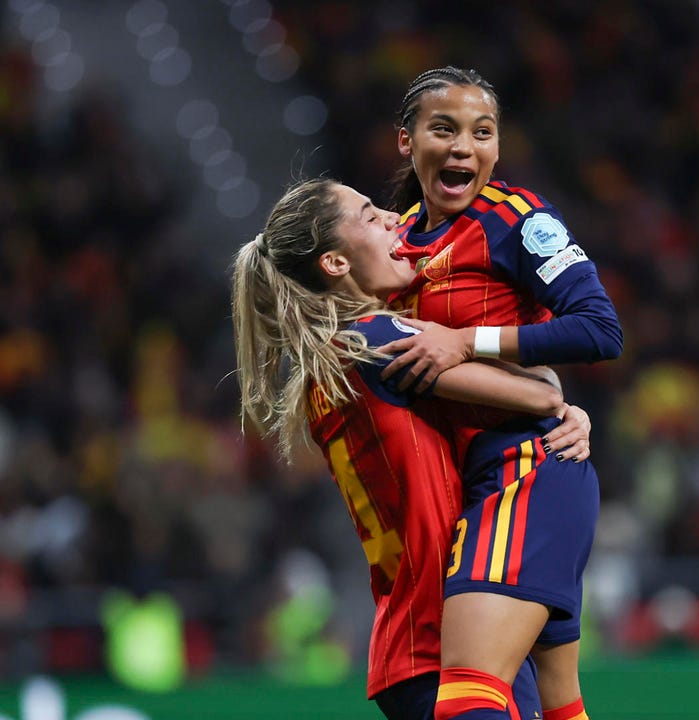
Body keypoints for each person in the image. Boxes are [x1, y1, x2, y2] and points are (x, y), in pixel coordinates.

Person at [230, 178, 591, 720]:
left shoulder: (336, 359)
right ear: (334, 263)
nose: (397, 220)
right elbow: (540, 393)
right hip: (449, 636)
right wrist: (560, 408)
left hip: (419, 639)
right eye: (371, 216)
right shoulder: (380, 337)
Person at [373, 66, 623, 720]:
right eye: (444, 129)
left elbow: (599, 329)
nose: (464, 147)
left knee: (468, 695)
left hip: (525, 469)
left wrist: (467, 342)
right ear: (406, 141)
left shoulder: (514, 219)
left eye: (482, 133)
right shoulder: (392, 248)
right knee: (555, 706)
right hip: (472, 484)